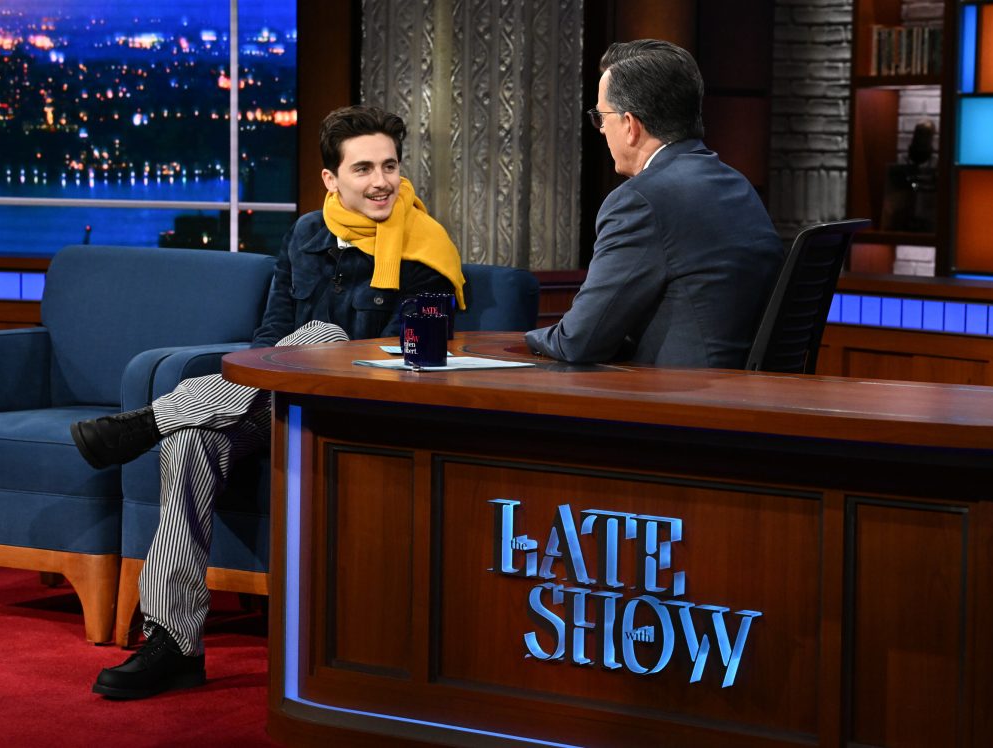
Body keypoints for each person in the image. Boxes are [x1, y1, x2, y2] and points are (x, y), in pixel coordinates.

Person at [73, 105, 466, 700]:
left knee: (325, 335)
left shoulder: (426, 251)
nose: (381, 181)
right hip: (275, 404)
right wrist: (283, 369)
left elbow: (401, 360)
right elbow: (269, 336)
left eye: (389, 166)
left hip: (357, 411)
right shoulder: (307, 234)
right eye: (363, 169)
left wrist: (314, 354)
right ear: (331, 179)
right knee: (192, 441)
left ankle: (150, 420)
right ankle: (174, 643)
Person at [525, 39, 783, 367]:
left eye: (601, 117)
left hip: (676, 393)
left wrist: (520, 340)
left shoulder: (640, 201)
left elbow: (578, 341)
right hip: (747, 388)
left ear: (630, 125)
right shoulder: (738, 186)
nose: (601, 130)